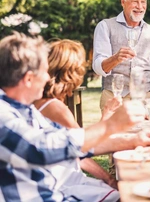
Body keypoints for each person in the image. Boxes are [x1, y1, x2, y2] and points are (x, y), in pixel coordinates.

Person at [0, 32, 150, 201]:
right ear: (29, 79)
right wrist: (109, 125)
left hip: (56, 192)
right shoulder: (3, 113)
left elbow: (72, 143)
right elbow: (40, 148)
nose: (48, 77)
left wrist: (133, 141)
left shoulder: (25, 109)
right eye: (44, 72)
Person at [34, 39, 119, 189]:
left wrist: (106, 114)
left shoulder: (41, 100)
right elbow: (83, 150)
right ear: (72, 71)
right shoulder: (55, 108)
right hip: (63, 182)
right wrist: (110, 181)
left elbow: (77, 145)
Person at [92, 0, 150, 111]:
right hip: (114, 98)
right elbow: (98, 67)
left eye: (143, 2)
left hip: (145, 99)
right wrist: (115, 58)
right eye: (135, 2)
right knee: (116, 132)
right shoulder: (105, 26)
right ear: (123, 2)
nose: (140, 7)